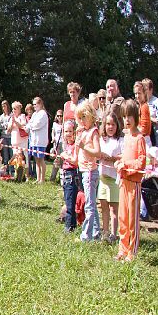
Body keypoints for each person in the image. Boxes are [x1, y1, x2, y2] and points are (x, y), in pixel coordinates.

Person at [116, 100, 147, 261]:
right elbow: (125, 156)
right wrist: (119, 162)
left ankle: (132, 253)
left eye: (129, 116)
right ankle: (122, 248)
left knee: (132, 219)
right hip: (123, 182)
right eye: (124, 116)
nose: (127, 120)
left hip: (134, 184)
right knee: (122, 217)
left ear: (135, 117)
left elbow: (141, 162)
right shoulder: (126, 137)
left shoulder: (139, 138)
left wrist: (125, 164)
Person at [76, 101, 101, 242]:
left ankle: (86, 236)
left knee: (89, 205)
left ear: (90, 116)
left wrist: (84, 147)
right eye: (79, 118)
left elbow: (97, 152)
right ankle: (96, 233)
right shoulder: (84, 131)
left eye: (83, 118)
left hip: (90, 171)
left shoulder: (94, 132)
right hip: (84, 170)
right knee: (91, 204)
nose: (81, 121)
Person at [97, 111, 122, 244]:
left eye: (113, 124)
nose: (110, 127)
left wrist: (111, 158)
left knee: (114, 208)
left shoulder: (120, 140)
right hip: (102, 177)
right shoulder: (102, 139)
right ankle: (105, 232)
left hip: (114, 179)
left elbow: (123, 155)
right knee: (104, 207)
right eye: (108, 124)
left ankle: (114, 233)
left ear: (116, 126)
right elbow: (96, 153)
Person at [59, 120, 79, 233]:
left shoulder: (75, 145)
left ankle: (69, 226)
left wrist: (65, 156)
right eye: (66, 131)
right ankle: (72, 224)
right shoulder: (67, 145)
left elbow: (75, 161)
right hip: (65, 174)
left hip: (72, 175)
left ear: (74, 132)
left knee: (70, 202)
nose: (68, 133)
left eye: (70, 131)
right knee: (67, 200)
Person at [27, 97, 49, 184]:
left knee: (41, 159)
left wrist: (31, 126)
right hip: (34, 140)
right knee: (36, 160)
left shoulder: (43, 113)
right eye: (33, 104)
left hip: (41, 140)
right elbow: (30, 123)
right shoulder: (35, 114)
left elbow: (38, 125)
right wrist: (29, 126)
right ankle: (38, 178)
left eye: (35, 104)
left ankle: (42, 179)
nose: (34, 106)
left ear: (40, 104)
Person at [0, 100, 13, 176]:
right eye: (2, 106)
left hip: (11, 137)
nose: (4, 107)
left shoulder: (11, 115)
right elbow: (0, 126)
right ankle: (6, 170)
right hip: (4, 136)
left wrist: (6, 125)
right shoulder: (1, 116)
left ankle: (12, 170)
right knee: (5, 154)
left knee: (11, 154)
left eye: (5, 106)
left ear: (8, 106)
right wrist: (6, 125)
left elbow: (12, 125)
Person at [49, 110, 64, 182]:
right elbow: (53, 132)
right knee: (56, 161)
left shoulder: (64, 124)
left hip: (63, 144)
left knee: (63, 161)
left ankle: (62, 178)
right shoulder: (55, 124)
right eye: (58, 116)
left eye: (61, 116)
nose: (59, 117)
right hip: (56, 144)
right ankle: (52, 178)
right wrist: (53, 138)